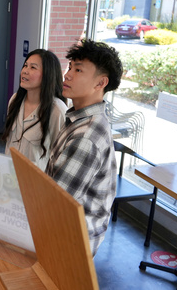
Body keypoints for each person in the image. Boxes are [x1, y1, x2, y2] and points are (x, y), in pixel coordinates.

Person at [45, 39, 122, 256]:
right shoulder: (80, 120)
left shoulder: (86, 135)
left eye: (78, 70)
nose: (67, 74)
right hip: (65, 231)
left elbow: (55, 201)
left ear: (100, 83)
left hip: (70, 242)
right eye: (70, 67)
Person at [3, 49, 67, 170]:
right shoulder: (15, 100)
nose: (25, 71)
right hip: (10, 176)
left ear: (48, 74)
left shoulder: (58, 110)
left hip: (35, 183)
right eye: (25, 65)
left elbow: (62, 157)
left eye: (33, 68)